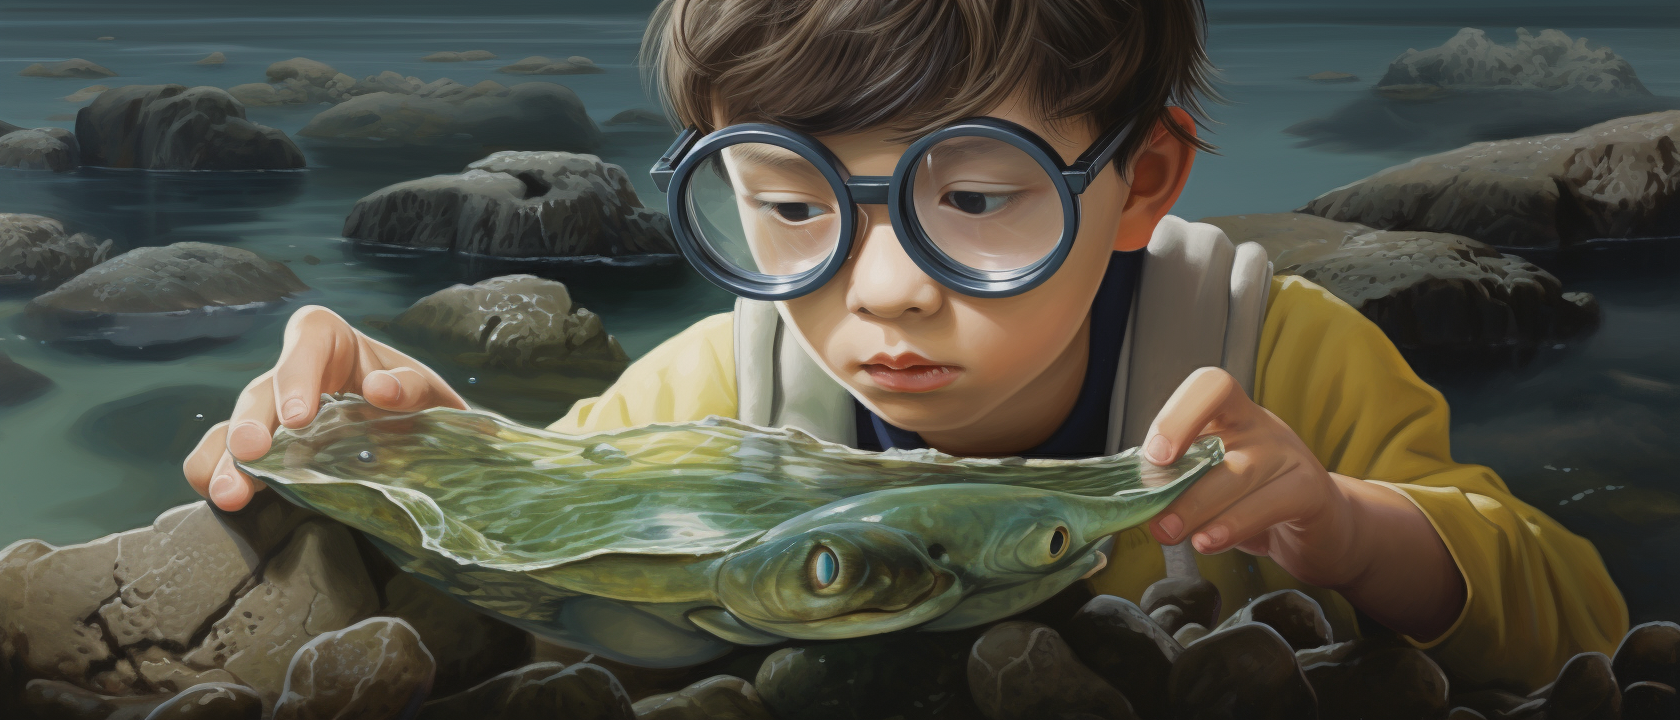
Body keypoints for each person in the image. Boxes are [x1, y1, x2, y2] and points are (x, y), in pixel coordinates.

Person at [183, 0, 1627, 690]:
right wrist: (430, 451)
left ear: (1143, 181)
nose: (879, 291)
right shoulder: (711, 388)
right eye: (790, 207)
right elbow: (547, 570)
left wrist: (1362, 533)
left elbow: (1581, 622)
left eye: (978, 201)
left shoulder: (1271, 357)